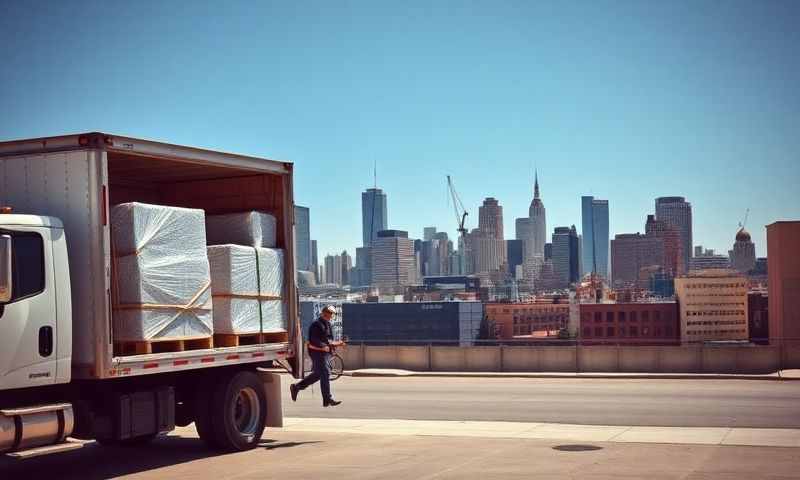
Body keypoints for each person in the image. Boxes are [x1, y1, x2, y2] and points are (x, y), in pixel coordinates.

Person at [290, 305, 344, 407]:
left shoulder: (327, 324)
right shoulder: (316, 324)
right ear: (324, 313)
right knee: (325, 372)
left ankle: (296, 387)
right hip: (317, 353)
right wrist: (324, 347)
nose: (331, 316)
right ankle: (327, 399)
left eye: (332, 314)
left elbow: (329, 340)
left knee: (318, 374)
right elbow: (314, 341)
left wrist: (334, 345)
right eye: (330, 313)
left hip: (325, 353)